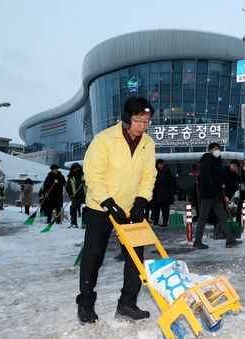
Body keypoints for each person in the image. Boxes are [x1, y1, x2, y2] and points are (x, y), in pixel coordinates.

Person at [76, 96, 157, 324]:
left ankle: (127, 304)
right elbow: (92, 174)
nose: (143, 126)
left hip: (130, 208)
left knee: (135, 256)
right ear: (126, 118)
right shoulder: (104, 140)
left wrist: (142, 199)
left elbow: (148, 174)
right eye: (138, 120)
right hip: (100, 207)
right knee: (93, 255)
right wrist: (108, 202)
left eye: (147, 121)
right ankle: (85, 303)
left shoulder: (148, 144)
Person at [193, 143, 243, 249]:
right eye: (215, 149)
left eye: (218, 149)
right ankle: (197, 241)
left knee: (223, 216)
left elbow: (217, 178)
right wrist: (216, 191)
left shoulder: (217, 162)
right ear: (210, 150)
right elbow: (208, 179)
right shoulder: (207, 161)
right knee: (203, 218)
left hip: (216, 195)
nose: (217, 151)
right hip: (208, 194)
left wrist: (219, 189)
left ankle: (230, 239)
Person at [66, 163, 87, 227]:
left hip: (84, 196)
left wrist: (85, 182)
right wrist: (70, 195)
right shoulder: (71, 177)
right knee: (73, 208)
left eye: (78, 168)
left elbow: (90, 184)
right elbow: (68, 187)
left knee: (85, 209)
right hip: (75, 196)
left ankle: (84, 223)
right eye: (75, 168)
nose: (77, 169)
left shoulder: (84, 176)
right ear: (72, 169)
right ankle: (73, 223)